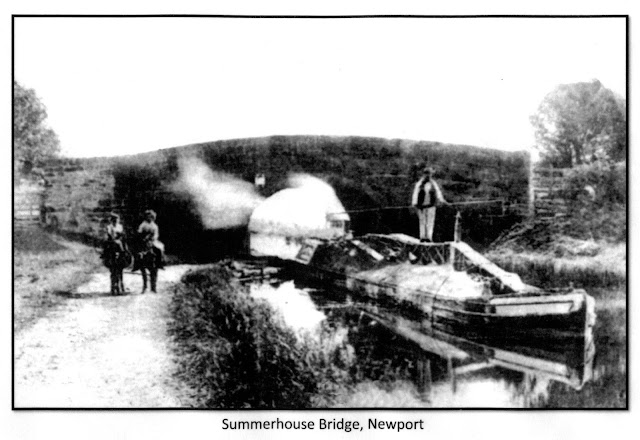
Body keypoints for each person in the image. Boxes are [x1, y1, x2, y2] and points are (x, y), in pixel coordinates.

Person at [411, 166, 449, 242]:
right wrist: (414, 203)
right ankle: (422, 237)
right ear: (424, 174)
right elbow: (415, 194)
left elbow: (438, 192)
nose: (428, 175)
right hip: (421, 205)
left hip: (431, 205)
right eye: (426, 173)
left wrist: (442, 200)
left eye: (429, 174)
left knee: (430, 222)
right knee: (422, 221)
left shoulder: (433, 183)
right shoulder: (419, 184)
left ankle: (429, 237)